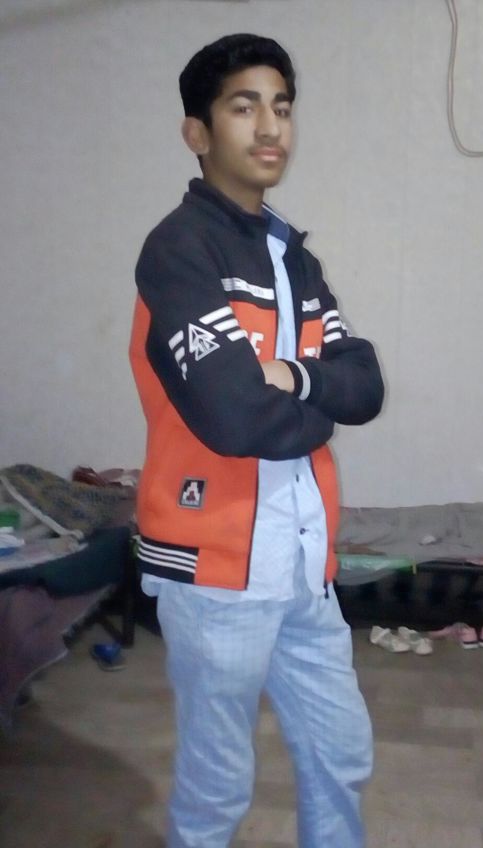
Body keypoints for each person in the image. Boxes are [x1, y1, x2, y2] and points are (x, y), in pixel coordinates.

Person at [129, 33, 384, 848]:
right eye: (244, 107)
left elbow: (366, 385)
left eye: (282, 107)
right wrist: (317, 399)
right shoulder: (178, 251)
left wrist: (295, 378)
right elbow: (236, 418)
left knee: (340, 752)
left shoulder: (292, 257)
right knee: (218, 785)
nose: (271, 127)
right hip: (214, 565)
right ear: (197, 132)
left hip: (304, 561)